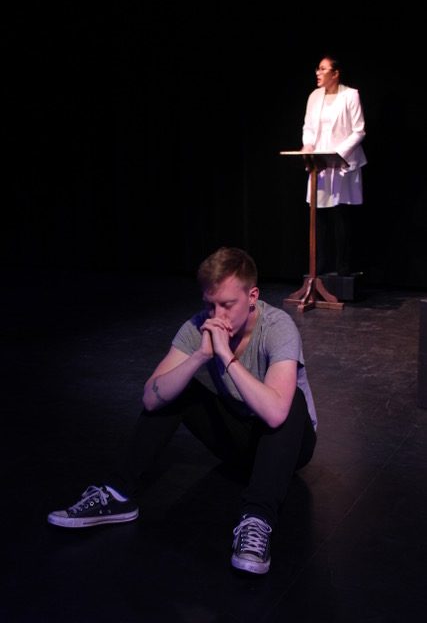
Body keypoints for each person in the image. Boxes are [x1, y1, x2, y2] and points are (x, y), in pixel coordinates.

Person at [48, 246, 317, 575]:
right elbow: (150, 397)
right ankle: (117, 493)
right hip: (241, 442)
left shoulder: (278, 327)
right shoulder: (198, 327)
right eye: (209, 304)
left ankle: (256, 522)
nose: (216, 315)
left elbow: (275, 414)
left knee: (290, 404)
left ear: (252, 296)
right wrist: (199, 358)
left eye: (227, 305)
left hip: (289, 446)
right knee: (175, 388)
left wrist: (227, 359)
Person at [301, 54, 367, 276]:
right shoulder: (314, 96)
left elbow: (359, 130)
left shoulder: (350, 96)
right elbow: (308, 126)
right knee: (319, 215)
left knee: (340, 216)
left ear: (335, 73)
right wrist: (308, 145)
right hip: (320, 163)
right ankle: (318, 269)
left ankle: (343, 269)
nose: (317, 73)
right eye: (317, 69)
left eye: (322, 69)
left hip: (342, 163)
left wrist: (338, 154)